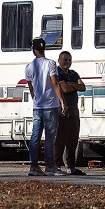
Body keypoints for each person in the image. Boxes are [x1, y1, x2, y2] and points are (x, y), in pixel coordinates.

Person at [24, 37, 64, 177]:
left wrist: (36, 99)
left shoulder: (29, 67)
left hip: (38, 106)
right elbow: (55, 83)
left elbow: (31, 88)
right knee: (49, 137)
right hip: (50, 105)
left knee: (35, 136)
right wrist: (61, 101)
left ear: (34, 50)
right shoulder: (51, 64)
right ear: (44, 48)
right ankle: (50, 166)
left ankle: (33, 166)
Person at [54, 50, 87, 175]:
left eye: (69, 60)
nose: (67, 62)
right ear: (59, 60)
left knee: (73, 140)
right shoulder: (57, 73)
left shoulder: (73, 73)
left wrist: (71, 84)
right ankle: (56, 165)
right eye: (65, 60)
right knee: (60, 139)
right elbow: (65, 89)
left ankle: (71, 166)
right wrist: (73, 86)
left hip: (74, 110)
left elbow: (83, 87)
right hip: (61, 110)